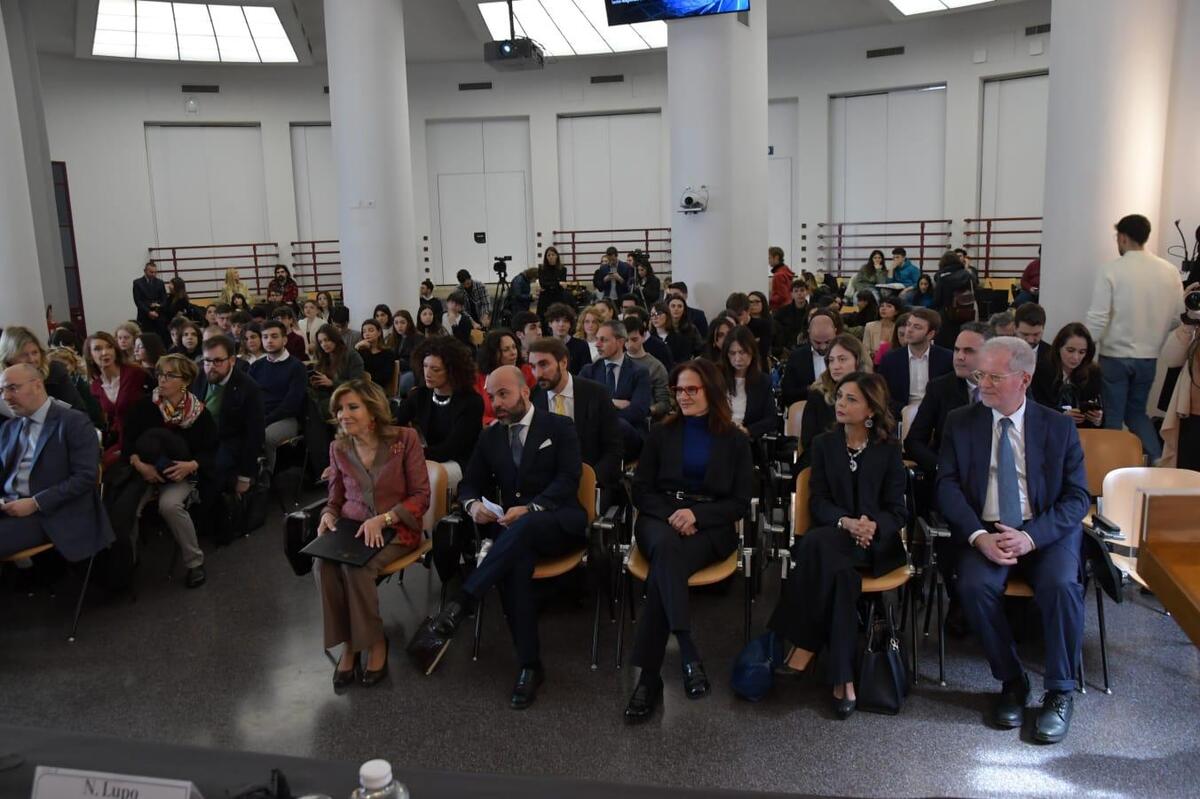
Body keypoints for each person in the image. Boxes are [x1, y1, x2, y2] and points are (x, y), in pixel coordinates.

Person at [936, 337, 1090, 744]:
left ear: (1024, 378)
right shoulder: (960, 421)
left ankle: (1059, 691)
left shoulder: (1057, 427)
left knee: (1061, 585)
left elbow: (1077, 498)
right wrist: (977, 536)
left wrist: (1030, 537)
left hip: (1042, 533)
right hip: (986, 530)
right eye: (979, 374)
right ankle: (1011, 680)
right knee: (972, 586)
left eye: (993, 376)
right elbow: (946, 485)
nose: (982, 383)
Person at [408, 365, 586, 710]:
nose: (496, 403)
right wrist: (473, 505)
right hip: (511, 532)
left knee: (524, 527)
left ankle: (463, 601)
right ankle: (530, 665)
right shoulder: (490, 435)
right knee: (514, 567)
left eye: (502, 394)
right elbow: (470, 482)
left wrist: (533, 508)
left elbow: (568, 479)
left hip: (556, 523)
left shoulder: (559, 427)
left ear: (524, 391)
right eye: (491, 396)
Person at [768, 371, 906, 718]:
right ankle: (843, 678)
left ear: (871, 410)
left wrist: (872, 526)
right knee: (841, 575)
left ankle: (806, 644)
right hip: (837, 537)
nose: (840, 404)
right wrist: (846, 522)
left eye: (851, 399)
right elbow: (820, 503)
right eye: (840, 397)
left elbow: (898, 510)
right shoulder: (824, 445)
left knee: (815, 545)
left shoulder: (888, 450)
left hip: (875, 544)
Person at [624, 358, 753, 724]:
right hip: (659, 519)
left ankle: (649, 680)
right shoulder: (661, 433)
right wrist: (673, 514)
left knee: (667, 565)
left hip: (710, 526)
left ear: (711, 391)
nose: (682, 396)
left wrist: (697, 515)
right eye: (678, 389)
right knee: (666, 548)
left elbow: (740, 502)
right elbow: (642, 491)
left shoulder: (734, 439)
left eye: (691, 389)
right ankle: (687, 648)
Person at [317, 380, 430, 689]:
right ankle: (349, 646)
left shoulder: (404, 440)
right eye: (339, 409)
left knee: (357, 567)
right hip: (351, 527)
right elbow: (335, 498)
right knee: (324, 565)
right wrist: (327, 516)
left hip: (397, 528)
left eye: (352, 407)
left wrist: (385, 518)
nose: (343, 415)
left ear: (373, 410)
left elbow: (421, 496)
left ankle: (375, 642)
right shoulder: (338, 447)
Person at [1085, 214, 1186, 461]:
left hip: (1114, 357)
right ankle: (1157, 461)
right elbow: (1177, 316)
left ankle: (1108, 471)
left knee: (1113, 417)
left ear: (1122, 237)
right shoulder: (1169, 271)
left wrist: (1085, 350)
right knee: (1136, 415)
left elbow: (1098, 317)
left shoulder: (1111, 270)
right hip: (1148, 358)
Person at [119, 353, 218, 588]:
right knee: (126, 508)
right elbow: (128, 443)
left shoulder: (199, 413)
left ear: (184, 381)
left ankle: (194, 563)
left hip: (180, 473)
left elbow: (211, 450)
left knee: (170, 506)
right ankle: (124, 566)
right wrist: (140, 465)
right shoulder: (144, 407)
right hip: (145, 471)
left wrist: (191, 465)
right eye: (160, 374)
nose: (161, 380)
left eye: (169, 375)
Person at [529, 337, 623, 490]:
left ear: (563, 363)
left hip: (591, 483)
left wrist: (591, 479)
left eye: (544, 364)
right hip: (547, 487)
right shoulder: (533, 398)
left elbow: (614, 449)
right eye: (533, 367)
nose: (537, 373)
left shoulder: (596, 394)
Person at [393, 335, 482, 493]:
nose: (427, 373)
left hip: (460, 462)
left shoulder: (471, 402)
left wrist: (410, 453)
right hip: (428, 458)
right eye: (425, 366)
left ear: (452, 371)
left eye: (435, 369)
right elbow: (395, 425)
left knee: (423, 476)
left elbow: (450, 449)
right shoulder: (419, 395)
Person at [905, 322, 991, 477]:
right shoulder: (939, 388)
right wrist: (942, 467)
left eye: (969, 351)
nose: (959, 357)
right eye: (957, 350)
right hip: (951, 475)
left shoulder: (1007, 387)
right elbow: (913, 442)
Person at [192, 335, 264, 503]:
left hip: (228, 442)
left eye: (217, 361)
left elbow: (255, 435)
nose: (211, 367)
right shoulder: (199, 376)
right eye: (207, 361)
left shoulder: (249, 388)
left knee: (212, 474)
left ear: (231, 360)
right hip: (200, 438)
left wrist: (245, 477)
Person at [797, 334, 872, 471]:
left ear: (858, 361)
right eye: (831, 361)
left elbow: (881, 434)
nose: (835, 366)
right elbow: (810, 442)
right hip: (824, 461)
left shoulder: (873, 393)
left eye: (842, 359)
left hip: (866, 459)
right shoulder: (818, 395)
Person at [580, 320, 651, 459]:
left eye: (603, 340)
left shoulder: (639, 372)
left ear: (620, 342)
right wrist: (613, 402)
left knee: (619, 425)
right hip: (595, 435)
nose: (597, 344)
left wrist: (602, 418)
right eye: (597, 339)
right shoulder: (589, 371)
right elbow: (581, 404)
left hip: (629, 433)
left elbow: (638, 411)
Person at [247, 321, 307, 473]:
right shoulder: (256, 366)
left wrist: (265, 420)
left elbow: (291, 404)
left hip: (285, 418)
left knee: (265, 437)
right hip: (259, 416)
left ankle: (265, 480)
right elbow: (247, 396)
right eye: (265, 337)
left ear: (284, 340)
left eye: (274, 336)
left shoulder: (296, 366)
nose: (269, 341)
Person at [86, 331, 149, 466]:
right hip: (120, 439)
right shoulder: (95, 386)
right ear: (90, 356)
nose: (105, 352)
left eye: (109, 347)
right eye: (97, 349)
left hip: (144, 436)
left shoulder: (135, 373)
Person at [877, 308, 953, 417]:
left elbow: (951, 395)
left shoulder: (947, 358)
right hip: (901, 415)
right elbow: (881, 394)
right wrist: (903, 410)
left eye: (917, 327)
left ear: (930, 334)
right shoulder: (890, 359)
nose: (909, 330)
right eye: (909, 324)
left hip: (938, 416)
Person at [0, 326, 89, 416]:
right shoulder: (3, 387)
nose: (32, 359)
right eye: (23, 355)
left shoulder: (54, 373)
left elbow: (79, 412)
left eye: (35, 352)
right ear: (8, 359)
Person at [1032, 323, 1104, 429]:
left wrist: (1098, 419)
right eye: (1070, 350)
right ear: (1058, 348)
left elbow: (1101, 409)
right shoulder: (1041, 370)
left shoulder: (1093, 373)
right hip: (1050, 430)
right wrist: (1061, 416)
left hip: (1083, 433)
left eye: (1082, 352)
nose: (1075, 357)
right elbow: (1036, 410)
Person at [720, 325, 777, 442]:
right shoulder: (717, 377)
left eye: (742, 352)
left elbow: (771, 419)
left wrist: (748, 430)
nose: (737, 358)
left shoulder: (763, 381)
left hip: (747, 442)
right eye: (732, 353)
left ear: (752, 352)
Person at [1158, 310, 1200, 469]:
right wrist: (1188, 323)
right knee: (1186, 481)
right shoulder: (1195, 330)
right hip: (1190, 419)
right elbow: (1170, 359)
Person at [474, 329, 536, 426]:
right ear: (493, 354)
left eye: (514, 347)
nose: (513, 353)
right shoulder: (478, 379)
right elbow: (474, 414)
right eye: (506, 350)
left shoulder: (527, 372)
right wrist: (493, 423)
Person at [780, 309, 842, 407]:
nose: (823, 347)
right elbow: (787, 394)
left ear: (835, 331)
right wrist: (810, 389)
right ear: (808, 332)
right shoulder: (796, 357)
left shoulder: (846, 355)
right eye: (817, 342)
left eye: (828, 342)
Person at [622, 316, 672, 420]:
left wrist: (646, 411)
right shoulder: (616, 362)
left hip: (644, 420)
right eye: (626, 340)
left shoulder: (656, 366)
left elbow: (664, 403)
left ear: (644, 336)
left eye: (634, 339)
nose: (630, 344)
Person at [310, 324, 366, 414]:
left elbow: (357, 384)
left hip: (345, 396)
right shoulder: (324, 356)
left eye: (326, 340)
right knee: (307, 400)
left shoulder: (351, 355)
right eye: (320, 342)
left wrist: (332, 383)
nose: (324, 344)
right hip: (327, 394)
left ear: (335, 338)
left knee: (317, 407)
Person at [932, 250, 978, 348]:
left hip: (946, 316)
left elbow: (936, 300)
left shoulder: (942, 277)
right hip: (966, 313)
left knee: (945, 347)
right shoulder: (967, 275)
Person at [725, 293, 773, 365]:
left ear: (748, 311)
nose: (736, 319)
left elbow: (762, 352)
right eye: (732, 315)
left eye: (739, 315)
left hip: (757, 366)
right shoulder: (726, 326)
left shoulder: (763, 325)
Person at [545, 303, 591, 375]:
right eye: (557, 320)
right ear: (550, 324)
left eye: (565, 321)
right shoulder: (544, 346)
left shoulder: (581, 345)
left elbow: (587, 374)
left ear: (570, 324)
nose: (561, 324)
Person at [773, 279, 811, 356]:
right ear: (791, 294)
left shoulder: (812, 310)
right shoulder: (782, 312)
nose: (799, 293)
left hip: (808, 347)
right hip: (787, 349)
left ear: (807, 292)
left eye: (802, 290)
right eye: (796, 291)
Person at [357, 320, 396, 392]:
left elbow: (385, 377)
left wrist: (367, 379)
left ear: (379, 333)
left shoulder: (388, 353)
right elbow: (348, 368)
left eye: (371, 330)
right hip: (360, 387)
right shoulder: (360, 352)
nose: (367, 334)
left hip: (377, 389)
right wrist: (357, 347)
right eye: (364, 331)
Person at [391, 310, 424, 395]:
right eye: (396, 323)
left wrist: (398, 363)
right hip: (398, 370)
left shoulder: (418, 337)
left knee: (404, 382)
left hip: (412, 371)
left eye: (402, 322)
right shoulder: (395, 338)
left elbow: (417, 361)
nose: (399, 326)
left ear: (409, 323)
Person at [132, 261, 168, 339]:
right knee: (146, 339)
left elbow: (164, 299)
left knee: (160, 338)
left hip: (158, 315)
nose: (153, 274)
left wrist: (158, 309)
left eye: (155, 272)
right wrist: (148, 312)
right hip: (144, 315)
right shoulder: (137, 283)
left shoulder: (160, 282)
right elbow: (138, 301)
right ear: (145, 271)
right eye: (151, 272)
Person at [863, 296, 903, 362]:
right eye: (881, 306)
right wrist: (872, 354)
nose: (883, 308)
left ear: (896, 312)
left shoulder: (899, 328)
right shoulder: (870, 326)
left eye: (889, 306)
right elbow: (865, 349)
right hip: (873, 362)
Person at [666, 295, 704, 360]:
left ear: (684, 310)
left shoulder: (691, 328)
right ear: (667, 309)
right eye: (673, 306)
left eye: (679, 306)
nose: (676, 309)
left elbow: (700, 350)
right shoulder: (662, 328)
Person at [536, 247, 568, 321]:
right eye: (548, 255)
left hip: (558, 297)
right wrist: (557, 283)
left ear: (557, 256)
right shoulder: (541, 268)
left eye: (553, 255)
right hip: (545, 298)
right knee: (544, 319)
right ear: (546, 257)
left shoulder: (563, 269)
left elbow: (563, 285)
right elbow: (543, 284)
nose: (551, 257)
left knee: (558, 318)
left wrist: (551, 283)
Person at [768, 246, 796, 311]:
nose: (768, 261)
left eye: (769, 258)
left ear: (776, 257)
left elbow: (782, 296)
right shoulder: (785, 271)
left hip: (780, 310)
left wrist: (768, 299)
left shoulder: (779, 275)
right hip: (788, 308)